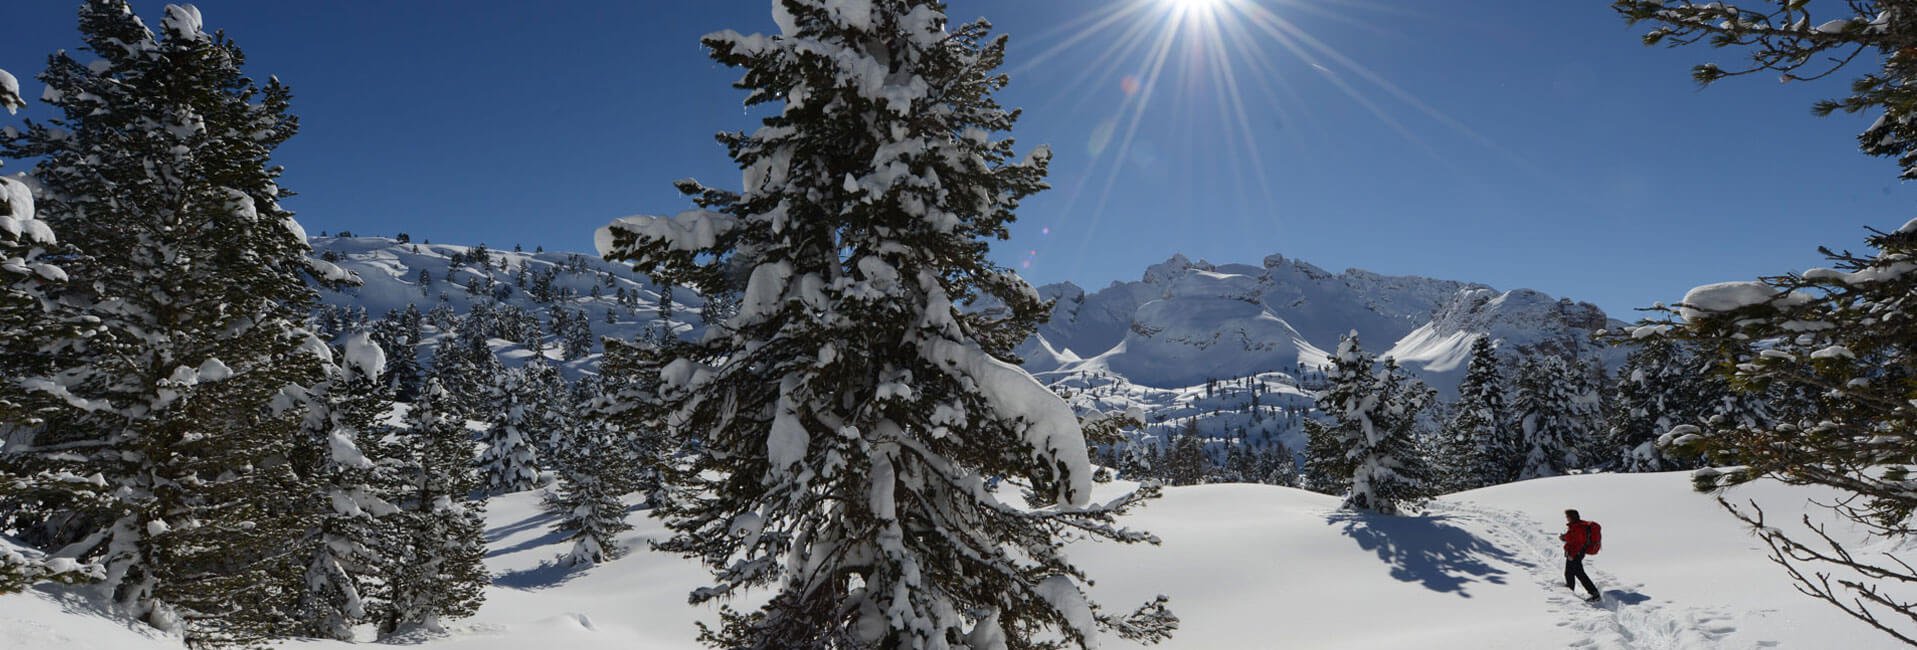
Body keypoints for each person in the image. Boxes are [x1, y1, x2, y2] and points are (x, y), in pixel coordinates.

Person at [1561, 509, 1601, 601]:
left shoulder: (1578, 527)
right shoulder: (1575, 525)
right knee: (1571, 572)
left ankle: (1594, 593)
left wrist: (1572, 554)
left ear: (1572, 517)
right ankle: (1570, 590)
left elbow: (1579, 542)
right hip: (1573, 552)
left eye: (1567, 516)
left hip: (1575, 553)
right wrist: (1564, 537)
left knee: (1578, 573)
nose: (1566, 518)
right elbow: (1572, 538)